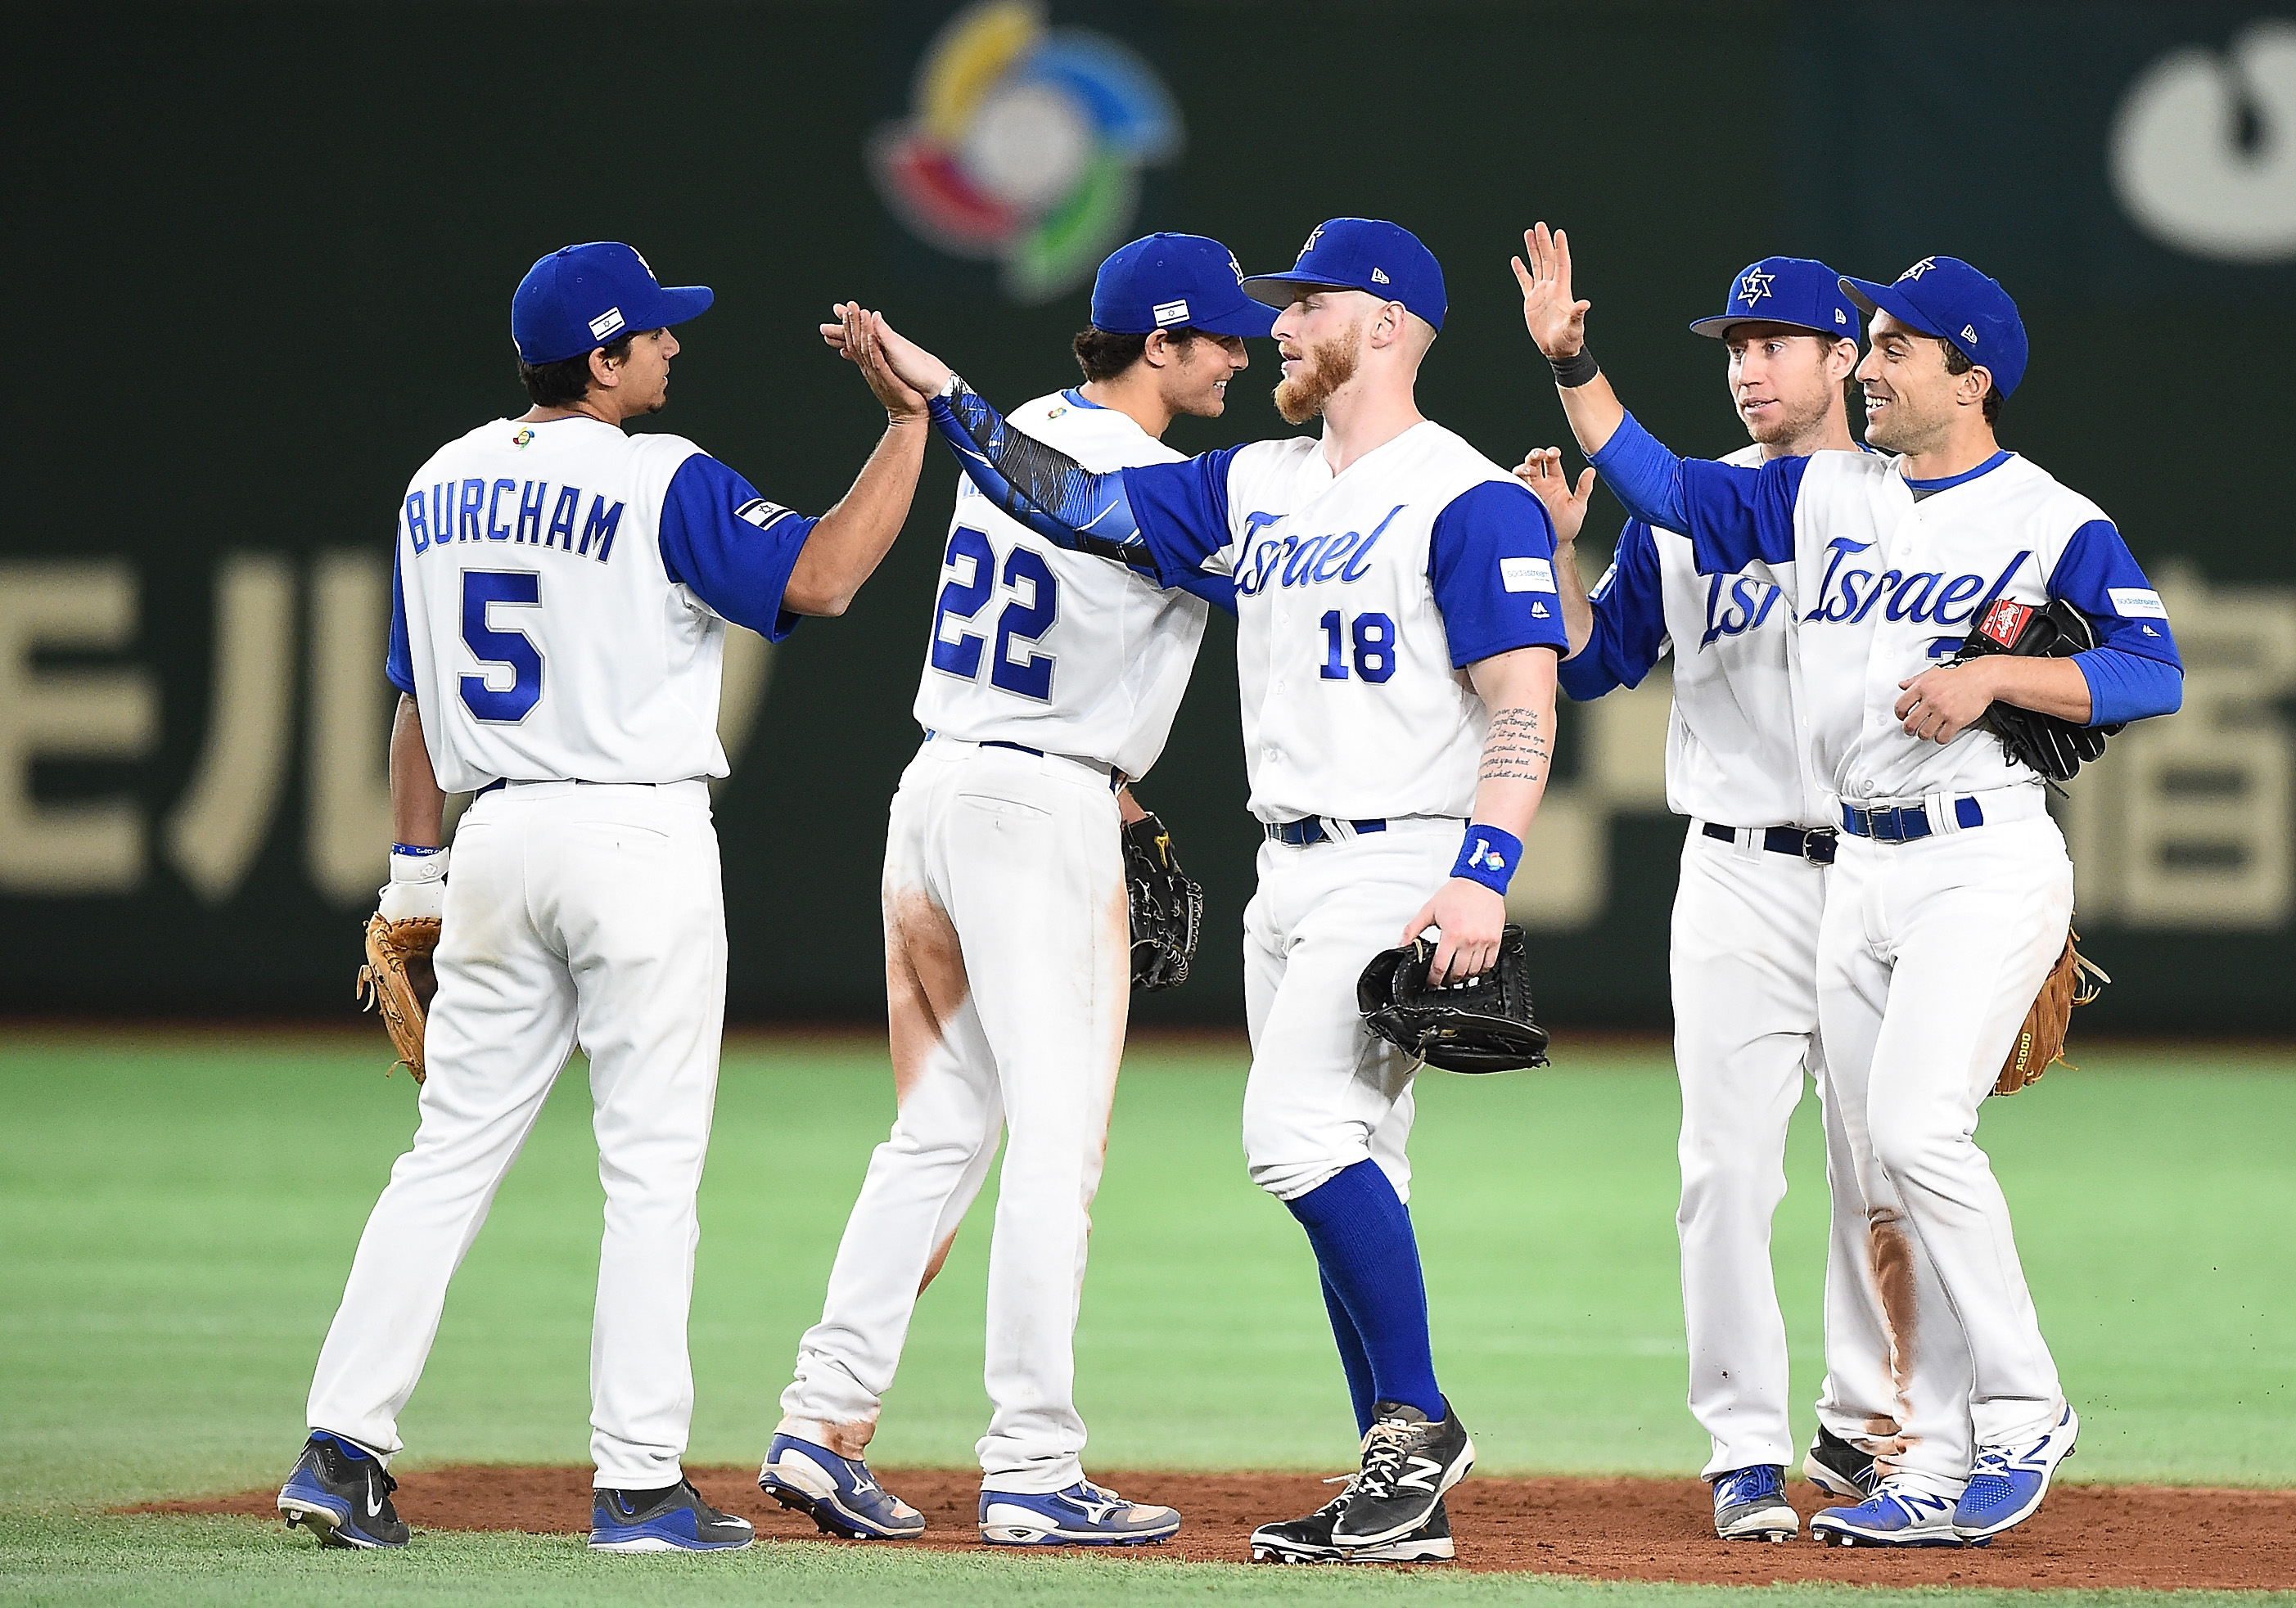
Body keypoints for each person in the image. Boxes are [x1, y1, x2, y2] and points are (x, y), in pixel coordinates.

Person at [849, 218, 1567, 1565]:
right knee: (1358, 1158)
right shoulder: (1261, 481)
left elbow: (1523, 701)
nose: (1280, 326)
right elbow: (1071, 500)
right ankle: (1397, 1492)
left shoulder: (1467, 495)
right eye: (1276, 307)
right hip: (1283, 867)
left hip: (1403, 852)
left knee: (1291, 1135)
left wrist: (1480, 875)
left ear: (1394, 321)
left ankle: (1418, 1418)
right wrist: (947, 400)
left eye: (1308, 305)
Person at [1521, 236, 2181, 1547]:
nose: (1872, 366)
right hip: (1840, 864)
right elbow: (1664, 486)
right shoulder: (1834, 496)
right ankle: (1923, 1455)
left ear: (1971, 375)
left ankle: (2019, 1407)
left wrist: (1999, 680)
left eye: (1893, 348)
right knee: (1845, 1163)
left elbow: (2152, 671)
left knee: (1914, 1144)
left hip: (1974, 848)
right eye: (1868, 344)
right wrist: (1572, 363)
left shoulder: (2048, 518)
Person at [274, 242, 929, 1554]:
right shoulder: (657, 477)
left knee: (445, 1156)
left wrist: (416, 878)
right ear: (604, 357)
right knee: (650, 1170)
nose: (675, 349)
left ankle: (340, 1449)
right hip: (634, 837)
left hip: (495, 842)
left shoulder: (437, 482)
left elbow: (413, 695)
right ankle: (638, 1484)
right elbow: (826, 577)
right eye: (657, 336)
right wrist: (910, 426)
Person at [760, 233, 1276, 1549]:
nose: (1238, 356)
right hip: (1036, 808)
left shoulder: (1030, 434)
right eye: (1218, 338)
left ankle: (821, 1423)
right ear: (1157, 344)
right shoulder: (1161, 477)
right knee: (1059, 1142)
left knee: (938, 1131)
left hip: (938, 787)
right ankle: (1034, 1462)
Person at [1511, 236, 1899, 1541]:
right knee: (1726, 1167)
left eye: (1774, 342)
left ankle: (1863, 1420)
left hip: (1879, 868)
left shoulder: (1893, 499)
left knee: (1882, 1164)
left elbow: (1671, 488)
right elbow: (1588, 663)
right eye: (1733, 347)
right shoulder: (1683, 509)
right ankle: (1744, 1448)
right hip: (1735, 873)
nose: (1748, 367)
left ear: (1844, 357)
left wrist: (1574, 368)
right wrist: (1568, 555)